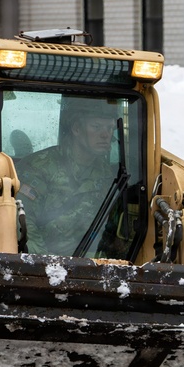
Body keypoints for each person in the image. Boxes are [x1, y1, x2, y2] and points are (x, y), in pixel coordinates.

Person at [16, 100, 119, 256]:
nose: (105, 135)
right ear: (76, 129)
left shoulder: (107, 173)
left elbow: (109, 226)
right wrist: (43, 264)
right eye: (96, 127)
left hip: (88, 259)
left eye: (110, 128)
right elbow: (23, 221)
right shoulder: (39, 167)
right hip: (43, 259)